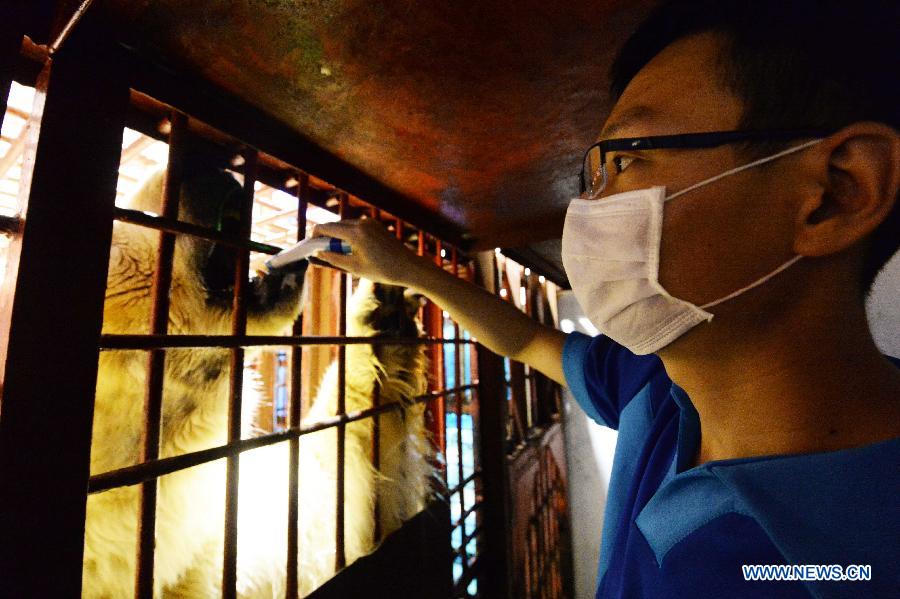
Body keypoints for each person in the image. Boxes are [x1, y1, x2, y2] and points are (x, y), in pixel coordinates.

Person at [312, 1, 900, 596]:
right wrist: (410, 271)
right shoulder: (663, 389)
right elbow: (528, 340)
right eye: (591, 179)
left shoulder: (843, 566)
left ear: (835, 193)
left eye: (625, 160)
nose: (587, 212)